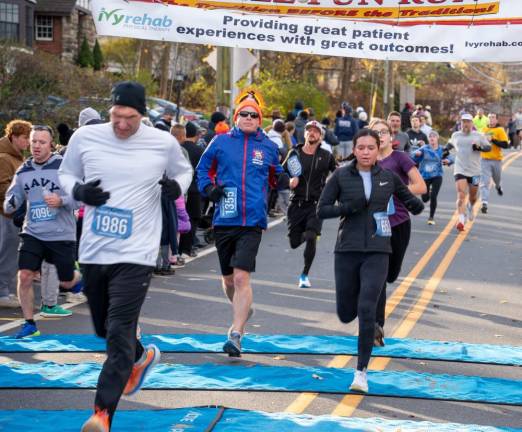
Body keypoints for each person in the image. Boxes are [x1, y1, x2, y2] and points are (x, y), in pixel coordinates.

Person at [58, 81, 193, 431]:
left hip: (137, 252)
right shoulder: (85, 138)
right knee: (106, 329)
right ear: (110, 112)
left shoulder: (161, 142)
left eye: (129, 118)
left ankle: (101, 414)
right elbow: (66, 173)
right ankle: (139, 357)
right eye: (116, 116)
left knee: (117, 331)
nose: (121, 124)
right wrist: (78, 190)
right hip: (93, 250)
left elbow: (184, 169)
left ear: (142, 115)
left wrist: (177, 186)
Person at [317, 129, 423, 393]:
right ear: (354, 150)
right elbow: (323, 209)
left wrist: (419, 203)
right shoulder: (341, 175)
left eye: (371, 147)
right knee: (346, 313)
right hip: (347, 249)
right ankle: (353, 316)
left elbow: (409, 199)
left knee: (367, 309)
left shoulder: (388, 177)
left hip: (378, 248)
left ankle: (361, 373)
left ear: (378, 150)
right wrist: (347, 208)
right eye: (361, 147)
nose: (366, 152)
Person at [197, 96, 285, 358]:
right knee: (227, 279)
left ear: (260, 120)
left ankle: (236, 334)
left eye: (254, 115)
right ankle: (243, 308)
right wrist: (209, 189)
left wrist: (285, 178)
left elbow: (277, 175)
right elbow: (202, 170)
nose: (248, 118)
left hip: (252, 221)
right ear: (236, 118)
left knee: (241, 277)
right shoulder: (221, 141)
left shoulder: (267, 146)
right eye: (244, 114)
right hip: (225, 217)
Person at [3, 125, 81, 338]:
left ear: (51, 144)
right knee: (25, 275)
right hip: (33, 232)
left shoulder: (63, 167)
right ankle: (29, 325)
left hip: (60, 233)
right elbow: (12, 197)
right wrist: (10, 203)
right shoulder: (24, 170)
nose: (36, 146)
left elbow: (80, 198)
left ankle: (81, 280)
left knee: (66, 281)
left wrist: (61, 200)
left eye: (42, 142)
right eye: (34, 141)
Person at [370, 119, 426, 346]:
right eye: (376, 132)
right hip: (375, 224)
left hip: (399, 223)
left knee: (391, 274)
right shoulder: (366, 160)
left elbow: (421, 187)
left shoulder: (399, 158)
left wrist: (393, 188)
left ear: (390, 135)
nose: (380, 136)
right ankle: (376, 326)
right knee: (379, 277)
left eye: (384, 132)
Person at [283, 120, 336, 288]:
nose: (312, 133)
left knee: (312, 236)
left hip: (316, 203)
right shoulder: (294, 153)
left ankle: (304, 275)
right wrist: (289, 180)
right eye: (309, 130)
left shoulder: (326, 156)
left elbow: (339, 174)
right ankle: (306, 235)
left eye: (315, 131)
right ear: (304, 133)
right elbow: (280, 173)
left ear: (320, 136)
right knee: (293, 242)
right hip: (296, 203)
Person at [0, 120, 31, 308]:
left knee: (10, 254)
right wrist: (19, 198)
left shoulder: (17, 157)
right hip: (6, 214)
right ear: (14, 137)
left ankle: (4, 290)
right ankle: (2, 293)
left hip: (12, 214)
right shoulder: (4, 158)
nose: (28, 142)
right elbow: (3, 187)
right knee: (6, 254)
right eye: (25, 138)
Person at [448, 113, 491, 231]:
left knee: (473, 195)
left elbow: (489, 147)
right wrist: (444, 151)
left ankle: (471, 207)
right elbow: (449, 145)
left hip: (475, 171)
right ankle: (461, 220)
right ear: (460, 123)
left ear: (472, 123)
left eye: (467, 122)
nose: (465, 124)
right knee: (461, 194)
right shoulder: (455, 135)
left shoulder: (478, 135)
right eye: (463, 121)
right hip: (460, 168)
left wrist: (479, 148)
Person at [411, 130, 450, 225]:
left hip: (437, 175)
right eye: (430, 136)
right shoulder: (424, 148)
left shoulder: (442, 149)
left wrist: (448, 161)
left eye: (434, 136)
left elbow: (451, 158)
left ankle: (431, 217)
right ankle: (428, 193)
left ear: (437, 138)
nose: (432, 138)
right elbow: (413, 155)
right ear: (428, 139)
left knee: (434, 196)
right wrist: (417, 154)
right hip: (425, 175)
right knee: (424, 198)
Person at [179, 122, 205, 257]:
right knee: (192, 219)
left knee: (178, 219)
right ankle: (186, 249)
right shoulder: (199, 151)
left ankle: (175, 250)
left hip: (179, 190)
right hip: (194, 190)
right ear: (196, 135)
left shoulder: (178, 148)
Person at [479, 112, 509, 214]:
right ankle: (484, 203)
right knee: (485, 182)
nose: (491, 119)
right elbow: (479, 143)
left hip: (496, 160)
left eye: (493, 118)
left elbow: (505, 145)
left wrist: (493, 140)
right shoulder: (484, 130)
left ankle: (498, 186)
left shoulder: (500, 130)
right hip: (484, 160)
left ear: (496, 120)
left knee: (497, 179)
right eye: (489, 117)